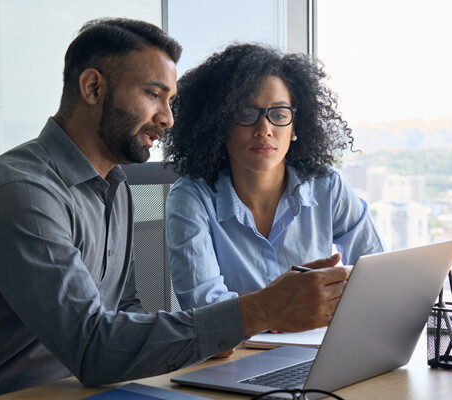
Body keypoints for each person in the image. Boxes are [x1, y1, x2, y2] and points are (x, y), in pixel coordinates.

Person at [0, 19, 350, 400]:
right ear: (93, 88)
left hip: (89, 390)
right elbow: (92, 348)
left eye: (170, 100)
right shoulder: (21, 193)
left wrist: (208, 333)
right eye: (152, 95)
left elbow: (123, 309)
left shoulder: (115, 185)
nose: (168, 118)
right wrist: (257, 311)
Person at [162, 44, 384, 312]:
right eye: (246, 114)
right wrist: (275, 313)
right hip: (236, 352)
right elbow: (204, 308)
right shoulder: (191, 198)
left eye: (279, 115)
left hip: (319, 345)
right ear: (220, 124)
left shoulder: (327, 187)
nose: (264, 129)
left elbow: (376, 273)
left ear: (294, 127)